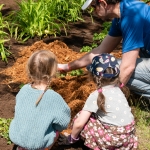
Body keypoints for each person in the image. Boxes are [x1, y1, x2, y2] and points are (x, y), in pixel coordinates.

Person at [58, 0, 150, 99]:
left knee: (106, 68)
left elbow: (128, 67)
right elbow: (100, 51)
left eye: (94, 7)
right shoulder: (120, 17)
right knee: (96, 65)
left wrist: (109, 98)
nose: (93, 12)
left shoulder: (131, 17)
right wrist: (67, 67)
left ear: (103, 3)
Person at [58, 53, 138, 150]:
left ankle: (90, 143)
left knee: (82, 117)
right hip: (127, 140)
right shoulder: (119, 89)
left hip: (113, 141)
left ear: (93, 76)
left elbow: (79, 124)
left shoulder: (96, 95)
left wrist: (71, 139)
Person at [9, 50, 71, 150]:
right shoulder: (54, 98)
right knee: (56, 131)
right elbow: (63, 123)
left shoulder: (24, 89)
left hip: (18, 138)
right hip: (38, 144)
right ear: (53, 71)